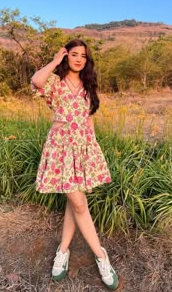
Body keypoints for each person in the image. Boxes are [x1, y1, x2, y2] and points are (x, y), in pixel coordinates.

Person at [31, 39, 119, 290]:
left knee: (75, 202)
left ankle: (63, 250)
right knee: (79, 203)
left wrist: (93, 149)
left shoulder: (88, 85)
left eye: (83, 56)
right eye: (73, 54)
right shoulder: (54, 81)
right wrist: (55, 61)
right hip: (60, 147)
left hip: (82, 147)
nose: (79, 59)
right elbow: (37, 81)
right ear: (66, 55)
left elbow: (89, 119)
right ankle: (102, 256)